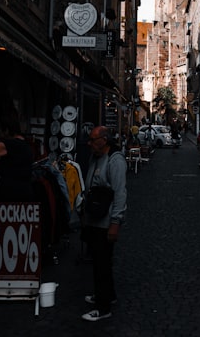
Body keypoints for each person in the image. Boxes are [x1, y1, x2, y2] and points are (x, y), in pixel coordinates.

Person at [81, 125, 127, 322]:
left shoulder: (115, 160)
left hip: (106, 221)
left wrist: (115, 222)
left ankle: (103, 307)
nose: (89, 144)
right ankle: (108, 295)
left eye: (93, 140)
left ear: (104, 140)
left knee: (102, 263)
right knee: (102, 261)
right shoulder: (96, 157)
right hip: (94, 218)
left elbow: (120, 193)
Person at [0, 111, 34, 202]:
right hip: (22, 193)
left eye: (0, 130)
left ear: (7, 130)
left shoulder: (13, 145)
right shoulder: (23, 144)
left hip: (12, 195)